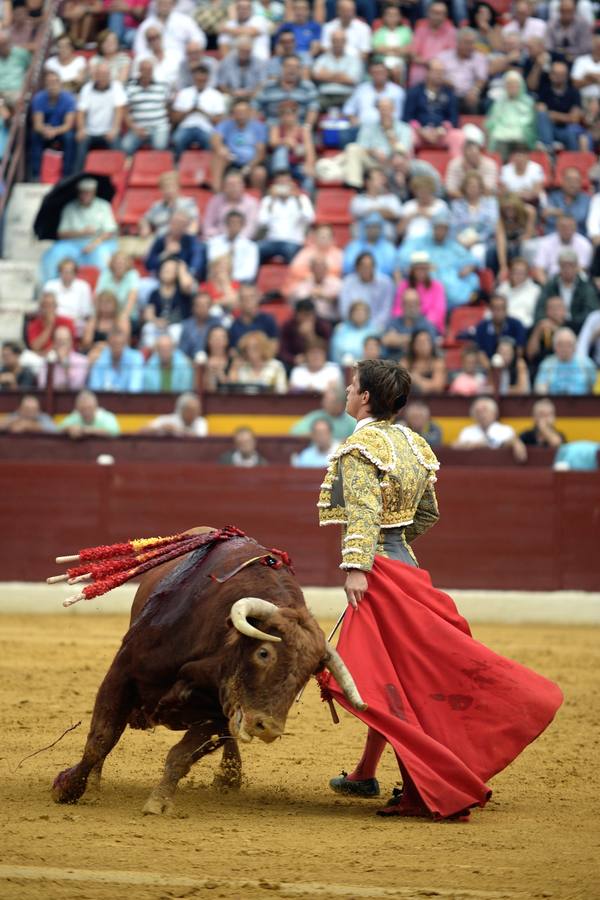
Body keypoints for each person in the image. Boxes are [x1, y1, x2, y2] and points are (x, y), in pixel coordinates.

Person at [318, 359, 561, 819]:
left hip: (378, 573)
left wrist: (357, 566)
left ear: (365, 397)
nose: (348, 392)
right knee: (398, 676)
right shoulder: (414, 444)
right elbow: (426, 513)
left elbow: (364, 514)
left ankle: (420, 781)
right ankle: (364, 773)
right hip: (406, 567)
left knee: (379, 678)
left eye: (352, 387)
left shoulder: (359, 446)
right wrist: (398, 549)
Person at [40, 178, 119, 284]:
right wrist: (81, 233)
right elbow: (61, 233)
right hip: (72, 243)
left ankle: (105, 290)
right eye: (82, 192)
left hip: (98, 243)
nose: (85, 195)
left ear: (93, 192)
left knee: (103, 256)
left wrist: (94, 244)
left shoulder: (103, 206)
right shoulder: (69, 207)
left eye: (88, 192)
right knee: (54, 253)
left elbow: (110, 231)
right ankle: (49, 287)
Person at [402, 60, 462, 157]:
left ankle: (457, 169)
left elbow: (454, 119)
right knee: (406, 135)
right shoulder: (414, 92)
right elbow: (406, 117)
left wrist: (441, 130)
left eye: (442, 72)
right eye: (436, 71)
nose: (439, 75)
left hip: (442, 133)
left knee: (459, 136)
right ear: (427, 73)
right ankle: (408, 168)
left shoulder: (449, 93)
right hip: (419, 132)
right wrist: (421, 131)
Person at [73, 63, 126, 171]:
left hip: (109, 132)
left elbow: (119, 109)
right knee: (80, 143)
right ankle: (76, 178)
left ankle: (118, 177)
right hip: (89, 132)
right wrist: (81, 129)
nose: (103, 77)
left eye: (105, 74)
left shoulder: (117, 87)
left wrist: (114, 129)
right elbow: (81, 111)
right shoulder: (87, 88)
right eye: (100, 74)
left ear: (110, 75)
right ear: (95, 75)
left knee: (117, 146)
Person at [534, 248, 599, 334]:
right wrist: (551, 321)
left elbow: (592, 311)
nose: (567, 269)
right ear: (559, 267)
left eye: (571, 265)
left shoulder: (586, 287)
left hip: (579, 329)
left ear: (577, 267)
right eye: (564, 266)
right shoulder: (550, 286)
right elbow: (540, 310)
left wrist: (567, 323)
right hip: (552, 327)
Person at [257, 171, 314, 264]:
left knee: (289, 250)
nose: (283, 187)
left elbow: (310, 219)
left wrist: (298, 199)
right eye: (280, 183)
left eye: (285, 183)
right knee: (257, 249)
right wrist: (271, 202)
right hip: (272, 241)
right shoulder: (268, 200)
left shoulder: (302, 199)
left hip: (293, 241)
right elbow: (262, 222)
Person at [171, 64, 227, 159]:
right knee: (178, 139)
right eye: (198, 78)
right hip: (186, 126)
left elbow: (219, 121)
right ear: (193, 78)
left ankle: (208, 168)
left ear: (207, 78)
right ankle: (178, 166)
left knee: (211, 141)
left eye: (203, 79)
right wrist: (189, 111)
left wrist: (203, 112)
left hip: (206, 128)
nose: (200, 81)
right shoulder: (184, 93)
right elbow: (175, 118)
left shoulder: (216, 95)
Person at [211, 97, 267, 190]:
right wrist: (221, 148)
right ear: (233, 114)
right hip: (232, 162)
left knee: (260, 173)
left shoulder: (258, 127)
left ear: (249, 112)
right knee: (218, 156)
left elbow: (261, 152)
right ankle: (216, 192)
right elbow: (215, 138)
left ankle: (257, 199)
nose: (241, 116)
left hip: (251, 164)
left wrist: (249, 167)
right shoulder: (226, 124)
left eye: (244, 112)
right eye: (238, 113)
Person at [29, 70, 77, 180]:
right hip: (45, 131)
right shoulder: (39, 98)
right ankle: (36, 175)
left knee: (69, 137)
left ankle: (66, 175)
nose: (52, 85)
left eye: (55, 82)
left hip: (61, 131)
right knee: (34, 135)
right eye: (49, 82)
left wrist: (54, 131)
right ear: (45, 84)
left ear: (60, 83)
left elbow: (68, 125)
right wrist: (45, 130)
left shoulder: (69, 99)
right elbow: (37, 124)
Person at [253, 53, 319, 127]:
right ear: (281, 68)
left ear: (300, 70)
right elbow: (254, 106)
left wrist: (307, 127)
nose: (292, 70)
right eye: (289, 66)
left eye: (296, 67)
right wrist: (258, 127)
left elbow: (313, 109)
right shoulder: (268, 86)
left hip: (299, 129)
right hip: (270, 127)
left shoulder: (308, 87)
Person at [121, 57, 171, 154]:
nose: (148, 72)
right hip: (139, 127)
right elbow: (125, 112)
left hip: (159, 127)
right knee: (125, 146)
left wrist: (167, 125)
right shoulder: (130, 87)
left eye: (150, 70)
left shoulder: (163, 86)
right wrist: (134, 128)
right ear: (139, 71)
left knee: (160, 146)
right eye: (145, 70)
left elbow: (168, 108)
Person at [453, 396, 526, 462]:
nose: (481, 414)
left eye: (485, 410)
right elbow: (455, 446)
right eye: (477, 411)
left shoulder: (505, 430)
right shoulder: (467, 431)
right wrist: (475, 445)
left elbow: (511, 443)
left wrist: (515, 443)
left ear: (494, 413)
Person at [536, 60, 586, 152]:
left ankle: (573, 161)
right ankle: (549, 151)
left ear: (567, 76)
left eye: (562, 74)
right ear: (550, 75)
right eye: (555, 73)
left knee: (571, 132)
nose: (558, 77)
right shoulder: (544, 91)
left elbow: (574, 119)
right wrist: (564, 117)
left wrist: (554, 115)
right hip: (549, 128)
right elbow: (541, 111)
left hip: (566, 129)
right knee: (542, 117)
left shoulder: (574, 92)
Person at [485, 70, 537, 158]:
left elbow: (530, 123)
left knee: (520, 141)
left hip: (521, 134)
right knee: (499, 141)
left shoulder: (528, 102)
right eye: (509, 85)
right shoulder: (499, 102)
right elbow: (492, 121)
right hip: (502, 134)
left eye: (515, 85)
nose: (512, 88)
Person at [339, 252, 394, 332]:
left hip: (378, 327)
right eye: (363, 266)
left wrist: (371, 328)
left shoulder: (386, 283)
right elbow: (344, 309)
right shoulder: (348, 282)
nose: (366, 269)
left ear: (374, 267)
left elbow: (386, 310)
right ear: (357, 268)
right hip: (352, 326)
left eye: (369, 266)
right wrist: (356, 325)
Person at [343, 57, 405, 128]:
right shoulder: (361, 89)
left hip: (388, 128)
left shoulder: (397, 91)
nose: (378, 75)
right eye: (375, 72)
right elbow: (348, 109)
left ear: (387, 73)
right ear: (370, 74)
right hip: (362, 128)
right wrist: (352, 118)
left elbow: (398, 115)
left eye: (381, 72)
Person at [393, 252, 446, 335]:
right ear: (412, 270)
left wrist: (421, 323)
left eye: (424, 268)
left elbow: (438, 311)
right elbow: (397, 310)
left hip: (429, 326)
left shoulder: (437, 287)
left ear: (428, 270)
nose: (421, 271)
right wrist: (407, 322)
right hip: (405, 325)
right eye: (418, 268)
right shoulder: (403, 286)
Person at [438, 27, 488, 114]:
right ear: (457, 43)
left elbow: (482, 79)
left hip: (467, 95)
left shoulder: (479, 58)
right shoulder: (444, 57)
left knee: (473, 101)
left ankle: (471, 127)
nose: (470, 46)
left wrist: (474, 91)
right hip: (447, 92)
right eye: (467, 43)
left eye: (472, 43)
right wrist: (444, 81)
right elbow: (436, 74)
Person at [534, 327, 596, 395]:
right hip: (554, 403)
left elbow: (595, 389)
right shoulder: (547, 364)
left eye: (568, 344)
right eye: (560, 344)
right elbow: (540, 390)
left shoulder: (586, 364)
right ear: (554, 347)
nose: (564, 348)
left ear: (575, 346)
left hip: (582, 403)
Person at [532, 215, 593, 285]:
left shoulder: (584, 244)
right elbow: (539, 269)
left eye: (570, 227)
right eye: (563, 227)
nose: (567, 230)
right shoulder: (546, 243)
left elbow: (582, 269)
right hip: (551, 282)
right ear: (557, 228)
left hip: (575, 284)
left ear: (575, 228)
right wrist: (548, 288)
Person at [381, 288, 439, 361]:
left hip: (416, 364)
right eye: (408, 303)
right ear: (402, 305)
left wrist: (398, 339)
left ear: (419, 305)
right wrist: (414, 340)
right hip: (393, 363)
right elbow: (386, 340)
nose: (412, 306)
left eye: (415, 303)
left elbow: (429, 346)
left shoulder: (427, 325)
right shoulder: (393, 322)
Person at [145, 211, 205, 281]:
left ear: (186, 226)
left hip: (183, 279)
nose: (178, 226)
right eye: (175, 222)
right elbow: (149, 264)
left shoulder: (191, 241)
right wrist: (165, 254)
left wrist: (188, 274)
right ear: (169, 223)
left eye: (182, 223)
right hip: (161, 280)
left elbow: (196, 264)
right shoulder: (161, 240)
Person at [311, 29, 363, 111]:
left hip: (346, 95)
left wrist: (327, 74)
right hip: (325, 95)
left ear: (345, 42)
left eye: (341, 41)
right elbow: (316, 76)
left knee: (354, 107)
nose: (338, 43)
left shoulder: (354, 60)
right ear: (331, 42)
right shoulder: (322, 58)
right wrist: (341, 75)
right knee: (313, 106)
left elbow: (351, 80)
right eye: (335, 40)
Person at [408, 2, 456, 87]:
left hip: (443, 71)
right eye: (435, 12)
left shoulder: (451, 32)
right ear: (428, 13)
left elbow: (452, 57)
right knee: (418, 75)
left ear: (445, 16)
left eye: (441, 13)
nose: (437, 16)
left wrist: (436, 66)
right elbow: (413, 55)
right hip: (422, 69)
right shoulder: (420, 31)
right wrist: (429, 62)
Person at [139, 171, 200, 239]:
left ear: (178, 187)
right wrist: (145, 227)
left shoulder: (188, 203)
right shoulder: (157, 206)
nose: (169, 190)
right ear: (161, 189)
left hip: (181, 241)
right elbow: (144, 219)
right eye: (165, 187)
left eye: (172, 186)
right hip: (160, 241)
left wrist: (187, 238)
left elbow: (194, 223)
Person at [202, 168, 260, 240]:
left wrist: (235, 240)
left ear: (243, 186)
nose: (234, 188)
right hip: (217, 241)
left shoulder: (251, 203)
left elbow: (251, 229)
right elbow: (207, 226)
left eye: (237, 184)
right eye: (230, 185)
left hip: (242, 243)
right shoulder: (215, 201)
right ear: (224, 187)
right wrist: (223, 238)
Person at [42, 258, 94, 336]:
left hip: (75, 323)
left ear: (75, 273)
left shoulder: (84, 286)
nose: (67, 274)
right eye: (65, 272)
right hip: (54, 321)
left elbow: (86, 312)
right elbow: (44, 308)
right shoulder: (50, 285)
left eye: (70, 272)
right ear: (59, 272)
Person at [444, 125, 498, 199]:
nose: (472, 155)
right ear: (463, 152)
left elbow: (488, 190)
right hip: (460, 201)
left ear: (479, 151)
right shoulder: (454, 164)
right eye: (468, 152)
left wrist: (473, 172)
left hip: (484, 201)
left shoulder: (490, 164)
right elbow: (450, 190)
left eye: (474, 152)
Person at [207, 210, 259, 284]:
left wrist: (231, 279)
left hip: (240, 284)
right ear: (226, 224)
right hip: (217, 281)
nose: (234, 226)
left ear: (243, 225)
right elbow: (213, 264)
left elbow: (249, 273)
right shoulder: (213, 243)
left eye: (237, 223)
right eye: (231, 223)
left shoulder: (250, 246)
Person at [88, 326, 145, 393]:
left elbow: (135, 388)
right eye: (114, 344)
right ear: (109, 344)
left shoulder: (136, 358)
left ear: (125, 344)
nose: (117, 347)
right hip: (105, 401)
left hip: (129, 401)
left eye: (120, 344)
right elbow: (95, 388)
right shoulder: (100, 359)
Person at [290, 386, 355, 440]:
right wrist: (316, 434)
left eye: (328, 401)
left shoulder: (351, 421)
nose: (323, 403)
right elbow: (295, 431)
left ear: (340, 405)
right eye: (324, 400)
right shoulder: (317, 416)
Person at [343, 213, 396, 279]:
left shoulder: (389, 248)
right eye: (370, 226)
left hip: (382, 284)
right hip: (358, 282)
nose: (373, 229)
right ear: (364, 228)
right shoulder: (353, 246)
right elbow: (348, 267)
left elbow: (393, 269)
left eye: (376, 226)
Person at [474, 294, 527, 360]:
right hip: (489, 367)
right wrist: (491, 369)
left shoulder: (516, 325)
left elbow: (520, 351)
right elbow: (480, 352)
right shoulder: (482, 328)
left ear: (506, 309)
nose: (499, 311)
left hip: (511, 366)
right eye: (496, 308)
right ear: (490, 309)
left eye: (502, 308)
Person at [37, 325, 88, 391]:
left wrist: (64, 361)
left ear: (71, 342)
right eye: (59, 341)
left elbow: (76, 385)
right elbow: (42, 385)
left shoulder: (82, 360)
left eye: (64, 341)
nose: (61, 344)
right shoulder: (48, 361)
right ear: (54, 343)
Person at [541, 168, 590, 236]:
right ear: (562, 181)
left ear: (580, 183)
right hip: (553, 236)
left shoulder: (586, 199)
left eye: (576, 181)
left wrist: (559, 213)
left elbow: (581, 217)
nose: (573, 184)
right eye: (569, 180)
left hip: (578, 238)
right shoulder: (553, 197)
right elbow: (549, 218)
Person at [216, 37, 267, 101]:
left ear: (252, 50)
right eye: (242, 50)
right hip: (231, 95)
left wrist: (251, 93)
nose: (245, 53)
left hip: (252, 96)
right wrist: (231, 93)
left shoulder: (259, 63)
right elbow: (221, 84)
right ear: (237, 49)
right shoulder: (226, 61)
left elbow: (262, 83)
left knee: (261, 97)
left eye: (247, 51)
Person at [496, 257, 541, 330]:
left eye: (522, 273)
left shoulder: (535, 290)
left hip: (524, 327)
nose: (518, 275)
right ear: (510, 273)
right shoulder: (502, 288)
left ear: (527, 274)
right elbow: (493, 309)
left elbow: (535, 315)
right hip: (501, 326)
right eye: (515, 272)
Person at [228, 283, 278, 348]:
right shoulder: (234, 326)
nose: (249, 301)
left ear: (258, 298)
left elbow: (274, 344)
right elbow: (233, 351)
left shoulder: (268, 320)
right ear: (239, 302)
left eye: (252, 297)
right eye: (244, 298)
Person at [26, 290, 76, 354]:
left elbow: (71, 345)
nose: (47, 309)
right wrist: (49, 326)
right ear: (40, 307)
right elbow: (35, 347)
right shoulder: (34, 324)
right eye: (44, 305)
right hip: (41, 358)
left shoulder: (67, 322)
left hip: (65, 356)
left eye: (50, 305)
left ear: (56, 306)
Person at [545, 0, 591, 66]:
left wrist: (565, 52)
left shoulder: (583, 24)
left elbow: (585, 48)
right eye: (563, 11)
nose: (566, 14)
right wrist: (562, 54)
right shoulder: (552, 23)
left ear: (575, 10)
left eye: (569, 11)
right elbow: (548, 46)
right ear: (559, 10)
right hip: (556, 59)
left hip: (578, 59)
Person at [178, 291, 223, 359]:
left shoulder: (217, 323)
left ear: (210, 307)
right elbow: (183, 352)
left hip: (214, 362)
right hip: (191, 364)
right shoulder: (186, 326)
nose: (203, 308)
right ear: (193, 307)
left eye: (206, 305)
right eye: (199, 305)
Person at [330, 301, 377, 365]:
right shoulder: (341, 328)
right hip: (343, 366)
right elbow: (335, 351)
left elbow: (377, 352)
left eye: (362, 312)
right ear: (351, 314)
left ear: (368, 315)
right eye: (357, 312)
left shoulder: (375, 330)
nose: (359, 315)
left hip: (368, 366)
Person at [142, 391, 208, 437]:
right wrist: (160, 428)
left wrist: (177, 430)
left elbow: (200, 438)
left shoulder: (201, 421)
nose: (195, 413)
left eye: (197, 410)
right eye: (191, 410)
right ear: (181, 410)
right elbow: (143, 431)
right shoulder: (168, 419)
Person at [404, 328, 447, 394]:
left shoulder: (437, 363)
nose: (424, 345)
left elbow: (438, 387)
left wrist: (417, 379)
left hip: (432, 400)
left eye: (427, 341)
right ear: (413, 345)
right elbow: (401, 385)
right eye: (420, 342)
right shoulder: (406, 362)